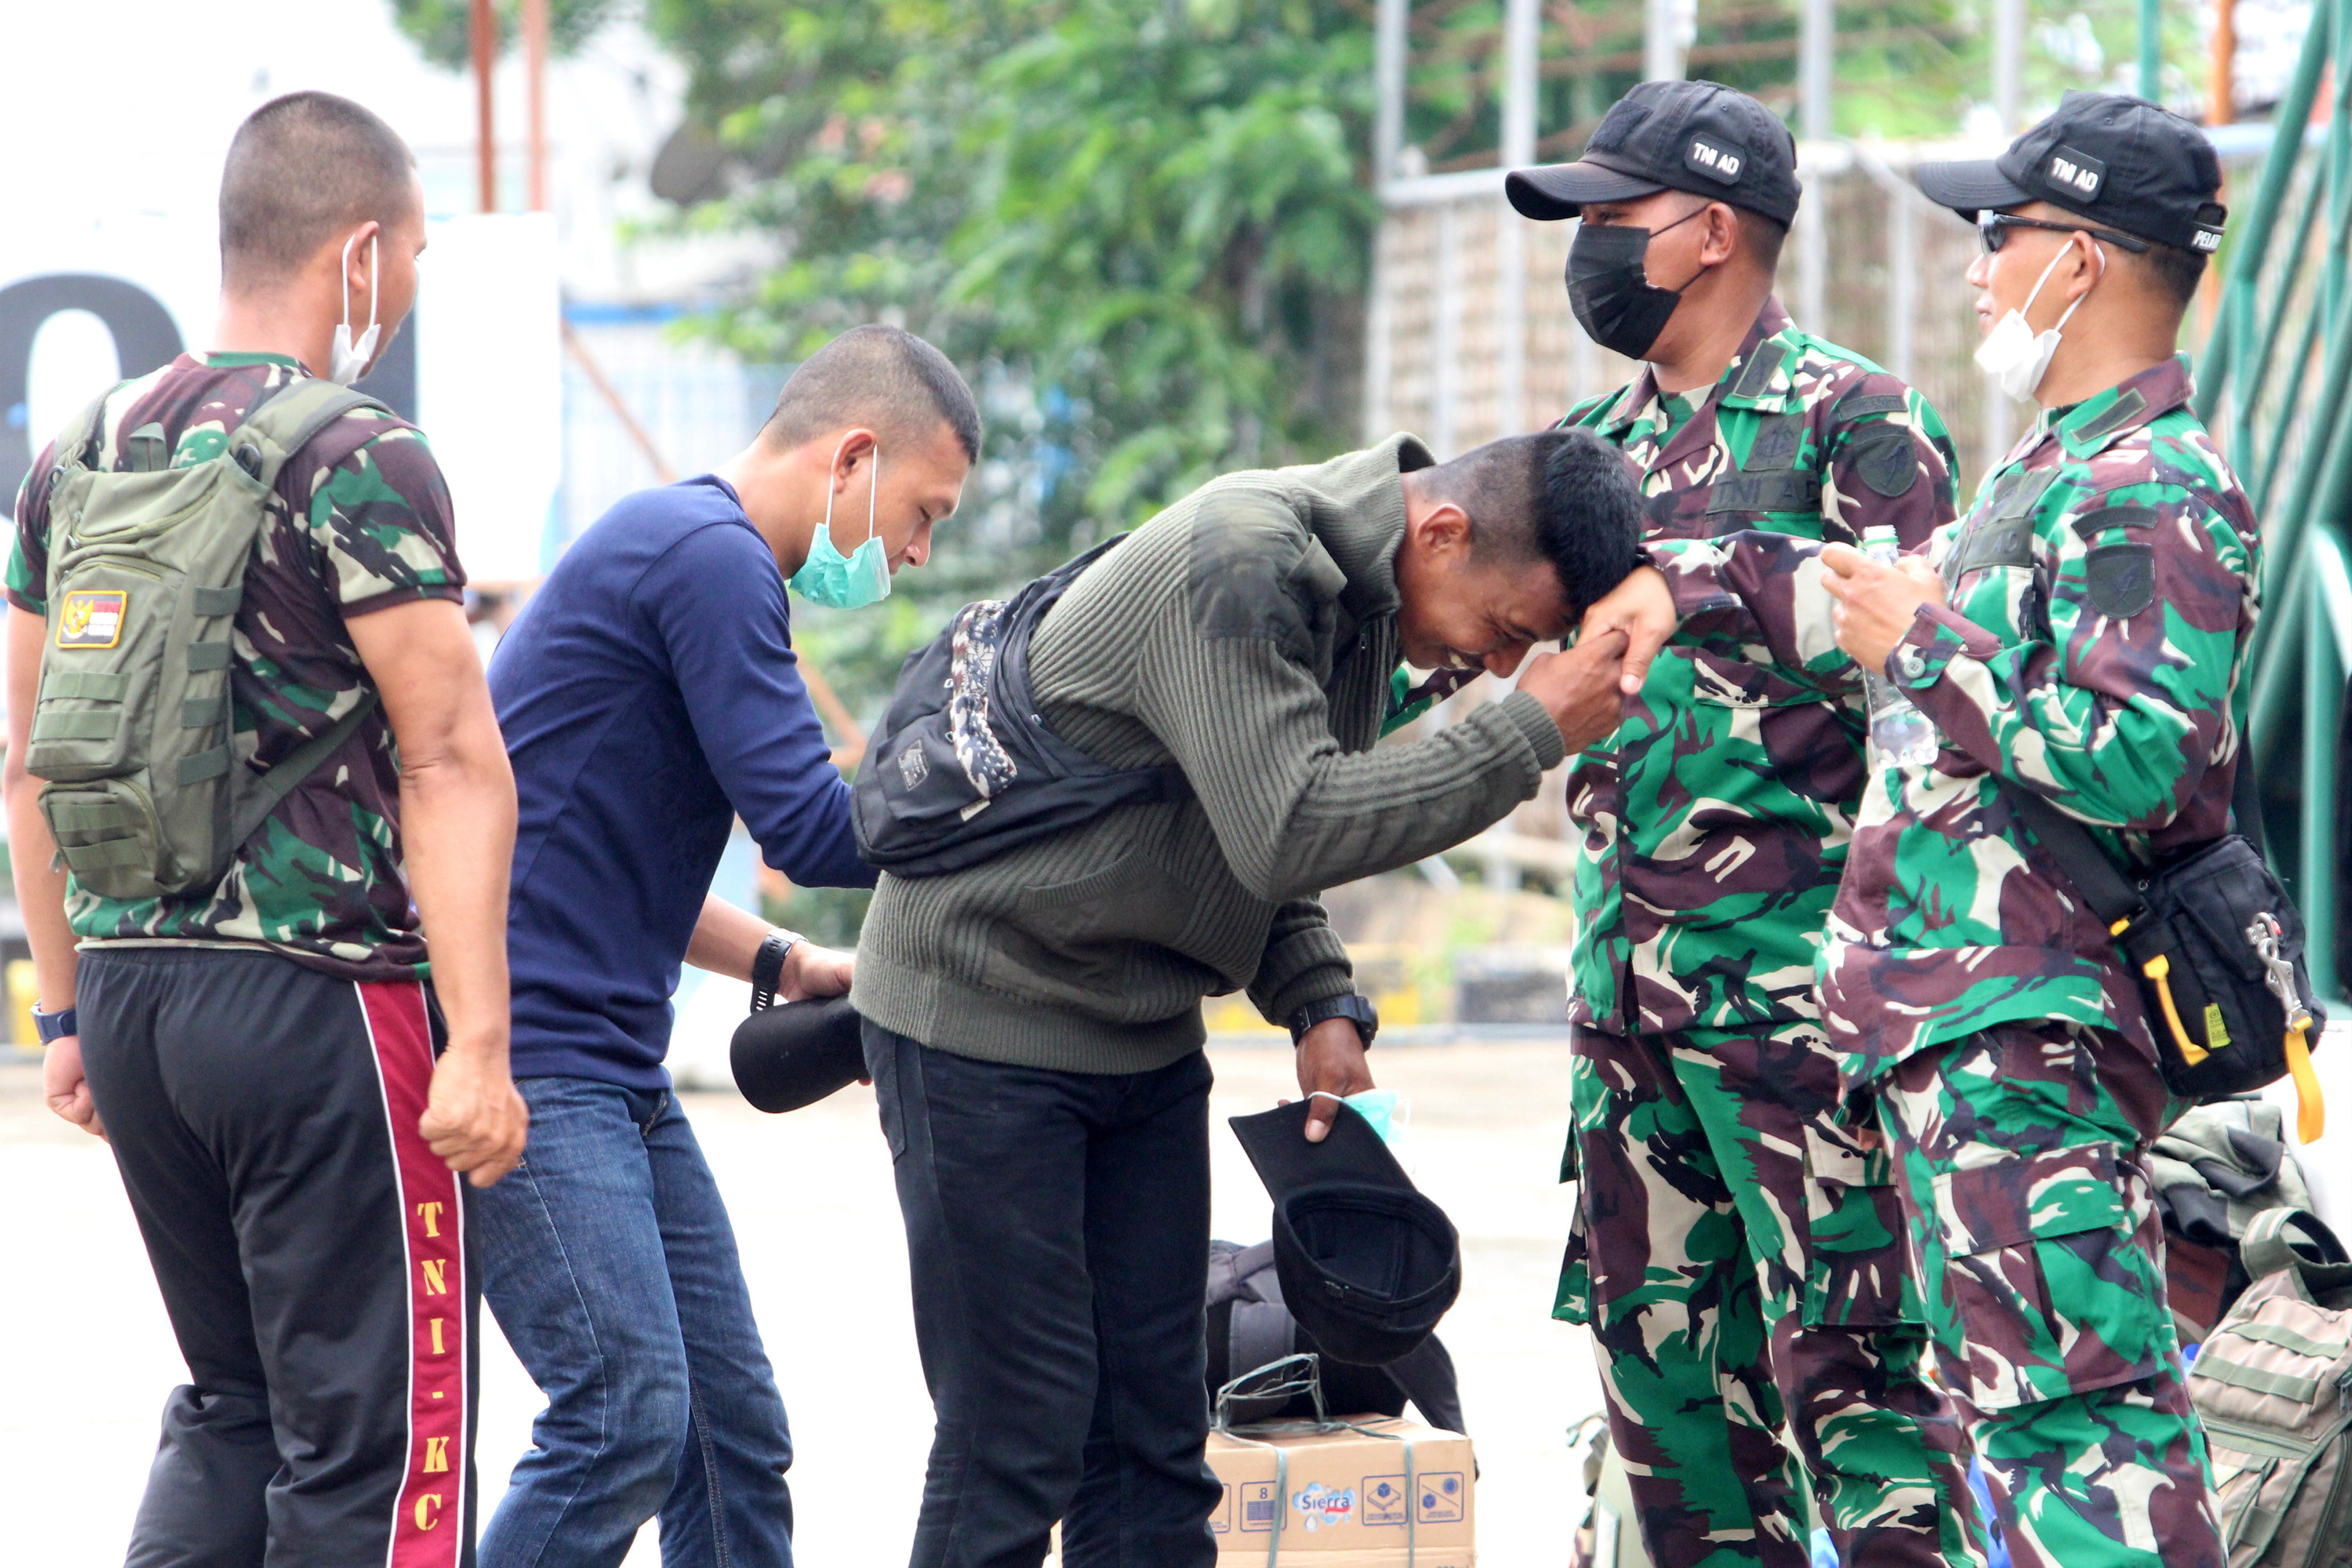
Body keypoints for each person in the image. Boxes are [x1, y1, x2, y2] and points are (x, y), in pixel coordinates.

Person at [1587, 91, 2248, 1568]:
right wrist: (1686, 589)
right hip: (1947, 1027)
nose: (1974, 266)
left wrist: (1925, 646)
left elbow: (2141, 755)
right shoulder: (2049, 469)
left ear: (2075, 260)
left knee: (2088, 1428)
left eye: (1997, 236)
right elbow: (1848, 600)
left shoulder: (2157, 485)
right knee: (2007, 1419)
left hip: (2039, 1027)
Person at [853, 426, 1645, 1568]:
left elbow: (1235, 819)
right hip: (979, 1017)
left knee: (1155, 1441)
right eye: (1507, 629)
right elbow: (1289, 823)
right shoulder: (1244, 556)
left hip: (1136, 1032)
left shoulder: (1368, 607)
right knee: (1012, 1441)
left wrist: (1317, 994)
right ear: (1440, 531)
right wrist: (1528, 736)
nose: (1501, 665)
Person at [4, 92, 526, 1564]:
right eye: (412, 256)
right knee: (373, 1449)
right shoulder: (358, 451)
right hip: (321, 1009)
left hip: (137, 1002)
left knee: (236, 1405)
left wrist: (65, 1012)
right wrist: (477, 1046)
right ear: (358, 252)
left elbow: (29, 764)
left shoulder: (82, 453)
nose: (407, 288)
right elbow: (449, 755)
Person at [1504, 79, 1984, 1568]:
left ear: (1709, 232)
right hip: (1623, 1004)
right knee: (1666, 1413)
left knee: (1860, 1397)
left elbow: (1918, 690)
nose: (1584, 246)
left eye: (1608, 218)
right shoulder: (1581, 449)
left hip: (1797, 1012)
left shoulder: (1860, 426)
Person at [476, 324, 977, 1567]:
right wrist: (1009, 815)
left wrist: (778, 961)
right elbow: (812, 824)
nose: (915, 552)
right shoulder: (712, 556)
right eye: (922, 511)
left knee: (729, 1430)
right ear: (852, 455)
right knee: (621, 1416)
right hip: (533, 1063)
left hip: (607, 1066)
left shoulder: (684, 546)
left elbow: (589, 848)